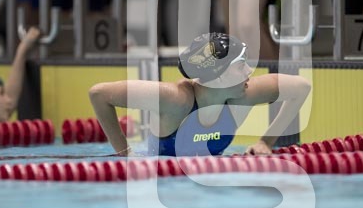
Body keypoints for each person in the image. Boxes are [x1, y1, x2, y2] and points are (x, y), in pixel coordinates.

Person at [89, 33, 311, 156]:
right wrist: (125, 155)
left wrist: (266, 142)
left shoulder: (243, 95)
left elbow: (301, 87)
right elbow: (99, 94)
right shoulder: (176, 100)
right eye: (240, 65)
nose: (249, 71)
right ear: (219, 75)